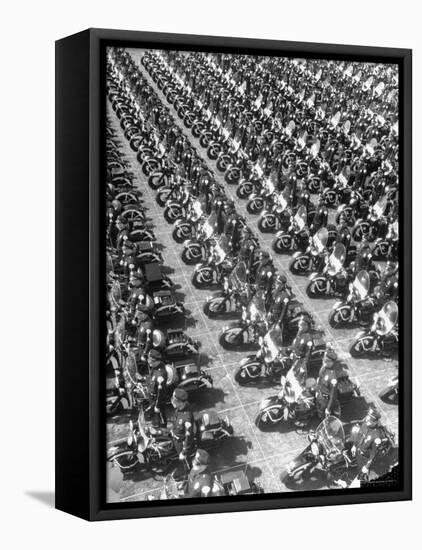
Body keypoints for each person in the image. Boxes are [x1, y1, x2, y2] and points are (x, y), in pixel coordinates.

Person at [349, 406, 390, 479]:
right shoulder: (365, 424)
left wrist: (367, 466)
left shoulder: (376, 436)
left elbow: (373, 453)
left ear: (374, 421)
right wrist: (354, 445)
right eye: (367, 417)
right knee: (359, 468)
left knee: (364, 474)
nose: (366, 419)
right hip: (359, 451)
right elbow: (359, 435)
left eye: (369, 419)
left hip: (365, 457)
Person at [171, 388, 196, 465]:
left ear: (181, 403)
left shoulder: (186, 418)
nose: (172, 402)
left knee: (183, 459)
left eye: (174, 401)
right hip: (175, 432)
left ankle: (187, 469)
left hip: (180, 441)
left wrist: (184, 452)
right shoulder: (181, 407)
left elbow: (188, 436)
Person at [315, 347, 341, 418]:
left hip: (326, 400)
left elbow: (333, 396)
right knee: (318, 409)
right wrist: (317, 391)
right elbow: (320, 380)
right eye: (324, 359)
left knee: (323, 415)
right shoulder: (324, 368)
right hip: (320, 395)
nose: (324, 362)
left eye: (326, 361)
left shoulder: (333, 378)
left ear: (331, 362)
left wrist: (328, 408)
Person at [147, 349, 168, 427]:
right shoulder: (155, 366)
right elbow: (151, 377)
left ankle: (163, 429)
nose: (148, 362)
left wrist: (157, 406)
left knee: (161, 416)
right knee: (154, 416)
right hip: (152, 397)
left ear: (155, 361)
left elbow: (161, 392)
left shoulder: (160, 375)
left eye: (150, 360)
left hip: (157, 400)